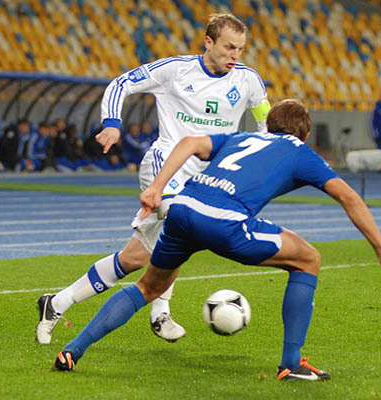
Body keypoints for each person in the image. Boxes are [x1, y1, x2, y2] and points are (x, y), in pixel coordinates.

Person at [52, 99, 381, 381]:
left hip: (183, 208)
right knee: (308, 258)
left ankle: (72, 351)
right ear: (306, 134)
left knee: (147, 287)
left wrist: (157, 187)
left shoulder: (241, 138)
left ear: (268, 125)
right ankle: (291, 363)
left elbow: (189, 143)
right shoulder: (300, 151)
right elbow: (349, 197)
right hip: (224, 222)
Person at [36, 13, 272, 344]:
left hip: (206, 179)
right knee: (183, 224)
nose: (235, 55)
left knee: (135, 257)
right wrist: (112, 123)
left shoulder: (248, 80)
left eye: (240, 49)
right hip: (165, 167)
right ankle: (160, 312)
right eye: (229, 47)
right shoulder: (176, 70)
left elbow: (265, 123)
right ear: (208, 42)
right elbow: (121, 83)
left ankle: (56, 303)